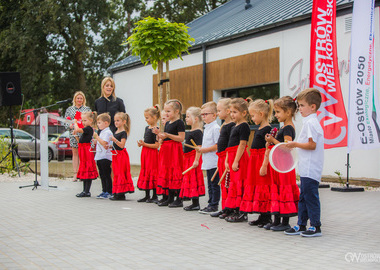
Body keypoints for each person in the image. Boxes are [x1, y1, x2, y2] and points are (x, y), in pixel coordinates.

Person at [284, 88, 324, 237]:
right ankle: (301, 224)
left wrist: (294, 144)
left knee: (310, 197)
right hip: (306, 167)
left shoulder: (311, 123)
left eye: (301, 105)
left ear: (312, 107)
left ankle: (315, 226)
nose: (299, 108)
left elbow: (312, 145)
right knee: (304, 196)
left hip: (311, 167)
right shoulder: (309, 122)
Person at [263, 96, 299, 231]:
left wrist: (273, 140)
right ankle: (276, 219)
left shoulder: (288, 128)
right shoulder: (284, 126)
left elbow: (287, 147)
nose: (276, 115)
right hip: (278, 163)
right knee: (277, 189)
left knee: (283, 189)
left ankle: (285, 221)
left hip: (284, 164)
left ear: (288, 112)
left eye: (278, 112)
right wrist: (271, 142)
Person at [240, 99, 274, 225]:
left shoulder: (267, 129)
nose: (252, 119)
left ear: (261, 114)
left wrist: (264, 164)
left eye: (253, 115)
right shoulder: (260, 128)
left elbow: (268, 148)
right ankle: (261, 215)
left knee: (263, 186)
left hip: (261, 160)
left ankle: (267, 216)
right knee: (257, 187)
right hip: (255, 160)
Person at [155, 99, 185, 207]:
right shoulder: (167, 123)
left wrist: (167, 135)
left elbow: (181, 138)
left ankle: (179, 199)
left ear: (177, 111)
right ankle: (169, 197)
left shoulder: (180, 122)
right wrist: (161, 136)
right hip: (166, 150)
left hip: (174, 150)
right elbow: (165, 136)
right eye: (165, 111)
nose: (166, 113)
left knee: (175, 171)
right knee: (167, 172)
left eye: (169, 111)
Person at [224, 98, 250, 222]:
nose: (232, 115)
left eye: (235, 112)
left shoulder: (244, 126)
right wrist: (227, 160)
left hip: (239, 158)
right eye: (231, 112)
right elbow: (230, 145)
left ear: (244, 113)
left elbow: (242, 144)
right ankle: (235, 209)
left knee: (240, 184)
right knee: (234, 184)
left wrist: (236, 161)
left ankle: (242, 212)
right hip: (232, 155)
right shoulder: (234, 126)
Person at [210, 98, 235, 218]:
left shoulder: (232, 126)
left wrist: (227, 160)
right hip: (221, 157)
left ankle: (231, 208)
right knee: (223, 185)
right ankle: (225, 207)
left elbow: (231, 144)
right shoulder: (224, 125)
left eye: (219, 110)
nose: (218, 113)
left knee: (228, 183)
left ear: (228, 111)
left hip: (227, 157)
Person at [198, 101, 220, 214]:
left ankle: (214, 205)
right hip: (208, 160)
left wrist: (204, 150)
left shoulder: (215, 128)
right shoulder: (207, 127)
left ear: (214, 115)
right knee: (210, 185)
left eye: (206, 114)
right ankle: (210, 203)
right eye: (202, 114)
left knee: (214, 184)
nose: (204, 117)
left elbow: (217, 145)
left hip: (214, 161)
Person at [180, 107, 205, 211]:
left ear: (196, 119)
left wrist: (196, 160)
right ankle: (192, 201)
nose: (186, 118)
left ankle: (196, 203)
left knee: (193, 179)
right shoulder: (191, 130)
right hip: (187, 157)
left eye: (188, 116)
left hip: (193, 157)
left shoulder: (198, 132)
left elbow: (199, 147)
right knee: (189, 179)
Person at [64, 91, 91, 181]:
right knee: (75, 153)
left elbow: (91, 121)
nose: (79, 100)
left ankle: (83, 173)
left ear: (83, 99)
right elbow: (66, 122)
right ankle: (75, 173)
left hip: (84, 134)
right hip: (73, 133)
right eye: (78, 98)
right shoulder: (69, 109)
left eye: (81, 98)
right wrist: (70, 125)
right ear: (75, 99)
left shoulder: (87, 109)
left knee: (83, 154)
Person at [137, 105, 160, 203]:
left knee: (152, 172)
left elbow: (156, 145)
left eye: (147, 117)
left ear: (154, 117)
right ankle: (147, 195)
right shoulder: (147, 128)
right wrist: (141, 144)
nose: (145, 120)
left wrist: (145, 144)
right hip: (145, 152)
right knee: (145, 170)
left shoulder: (156, 129)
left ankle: (154, 195)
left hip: (152, 153)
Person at [110, 112, 135, 200]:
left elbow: (121, 145)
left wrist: (114, 140)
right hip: (115, 154)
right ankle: (117, 192)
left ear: (124, 122)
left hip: (121, 155)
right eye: (115, 121)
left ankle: (121, 193)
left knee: (120, 172)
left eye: (118, 120)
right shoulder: (116, 131)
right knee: (116, 173)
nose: (116, 122)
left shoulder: (123, 132)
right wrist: (110, 145)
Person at [73, 111, 99, 197]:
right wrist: (76, 136)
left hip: (87, 152)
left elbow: (78, 129)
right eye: (82, 120)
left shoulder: (88, 129)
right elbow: (80, 142)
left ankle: (87, 191)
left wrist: (75, 123)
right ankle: (85, 190)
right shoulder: (86, 130)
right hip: (83, 151)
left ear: (91, 120)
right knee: (84, 170)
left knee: (87, 169)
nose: (83, 122)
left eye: (85, 120)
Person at [93, 113, 113, 199]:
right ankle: (104, 190)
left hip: (106, 156)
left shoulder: (108, 132)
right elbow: (101, 142)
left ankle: (109, 191)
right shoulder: (102, 132)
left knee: (106, 174)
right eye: (98, 123)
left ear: (106, 123)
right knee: (102, 175)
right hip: (100, 156)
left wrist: (97, 138)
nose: (98, 125)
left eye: (100, 123)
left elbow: (105, 143)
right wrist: (96, 141)